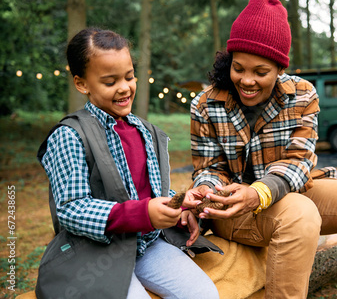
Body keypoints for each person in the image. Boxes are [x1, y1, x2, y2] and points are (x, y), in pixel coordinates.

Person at [184, 0, 337, 299]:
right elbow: (209, 168)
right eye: (239, 68)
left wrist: (260, 192)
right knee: (300, 213)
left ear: (279, 69)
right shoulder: (206, 104)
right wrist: (209, 191)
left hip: (286, 190)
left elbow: (300, 160)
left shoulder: (302, 95)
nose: (246, 80)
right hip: (233, 209)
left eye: (260, 72)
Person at [36, 28, 219, 299]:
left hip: (146, 245)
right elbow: (71, 209)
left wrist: (178, 205)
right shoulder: (70, 135)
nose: (124, 87)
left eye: (129, 76)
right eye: (110, 82)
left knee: (204, 294)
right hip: (95, 252)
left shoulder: (146, 131)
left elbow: (147, 193)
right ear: (81, 83)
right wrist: (142, 213)